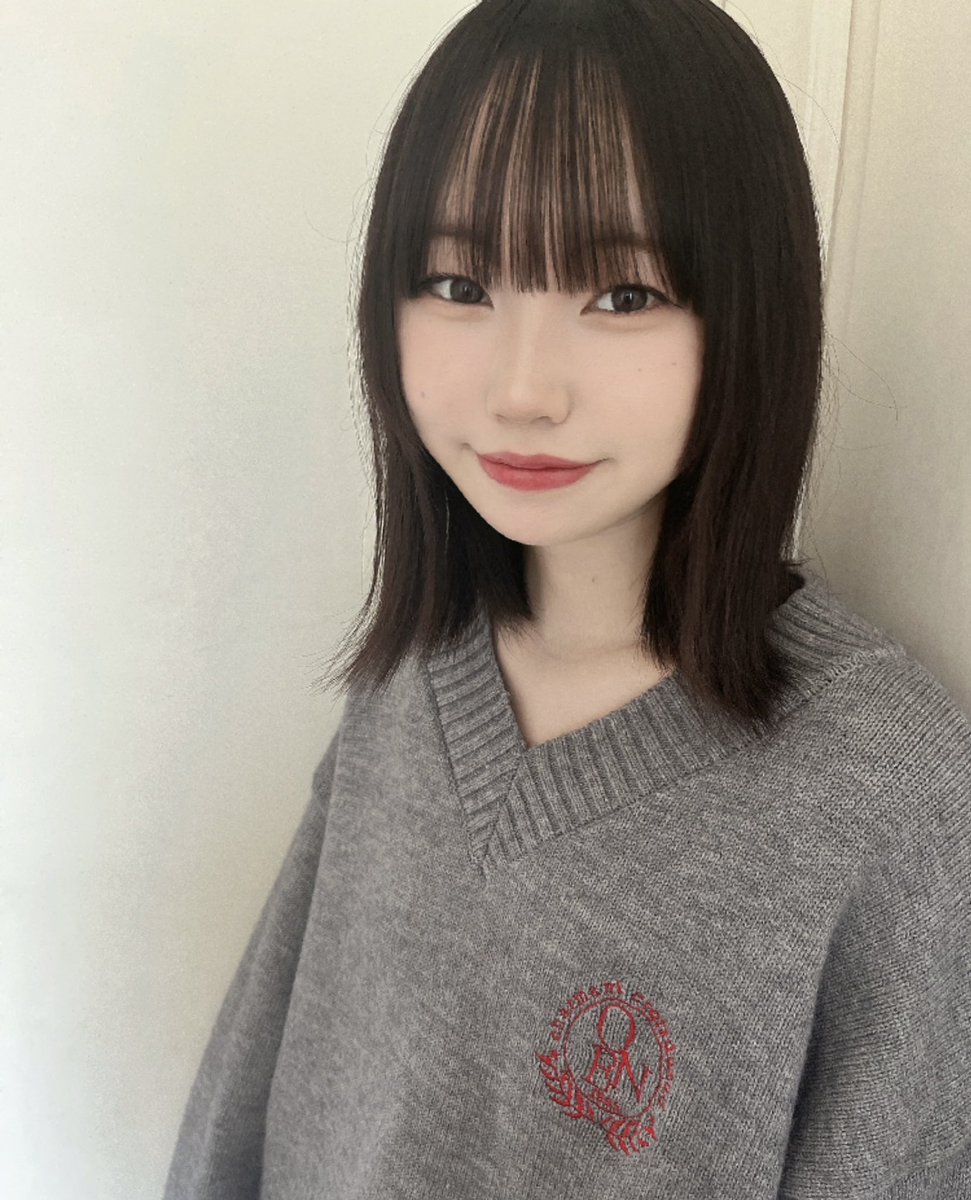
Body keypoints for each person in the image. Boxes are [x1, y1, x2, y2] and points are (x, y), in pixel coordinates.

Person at [163, 1, 971, 1196]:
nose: (522, 389)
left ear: (750, 312)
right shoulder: (413, 676)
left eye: (623, 294)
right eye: (456, 282)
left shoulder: (881, 787)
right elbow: (249, 1096)